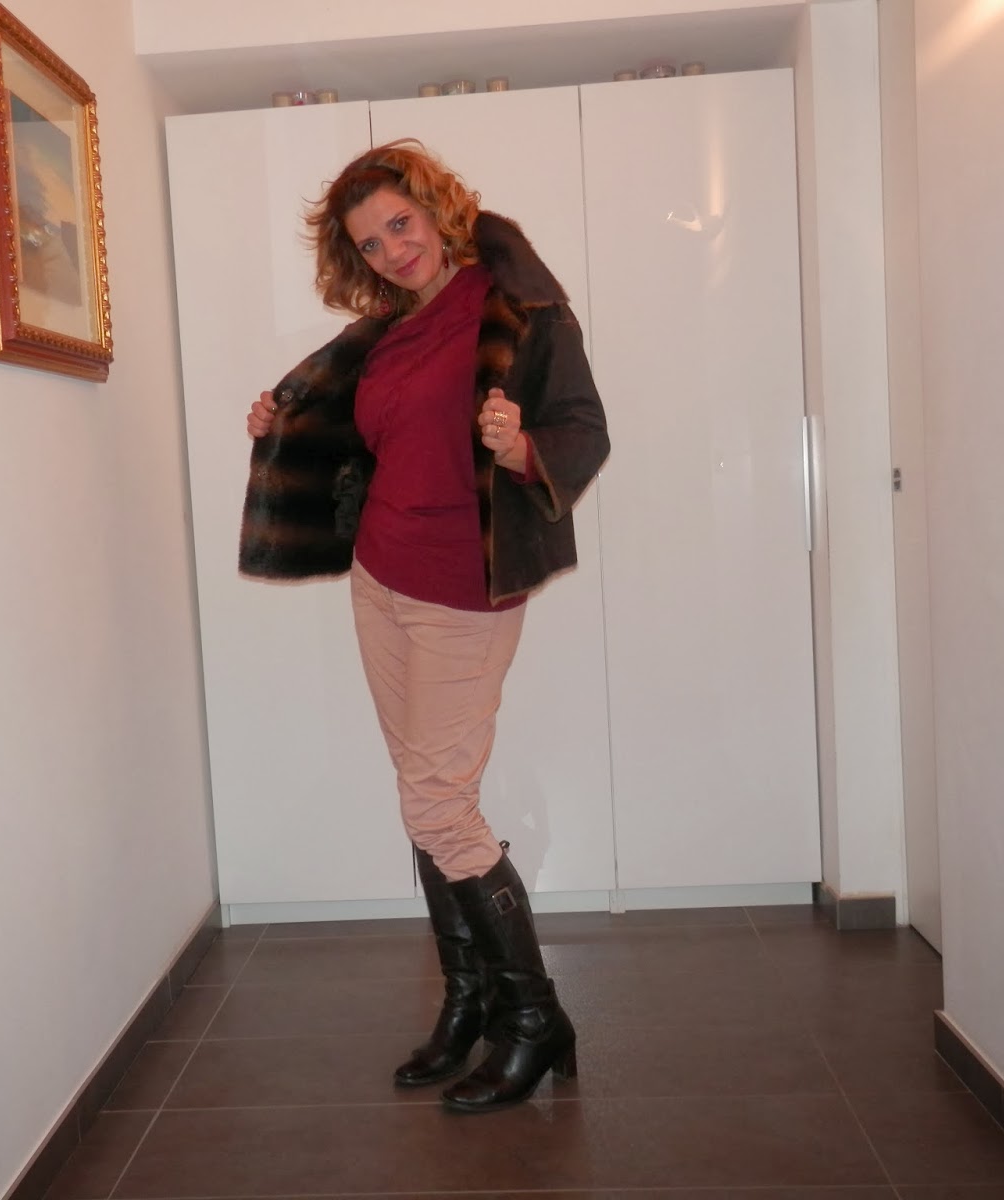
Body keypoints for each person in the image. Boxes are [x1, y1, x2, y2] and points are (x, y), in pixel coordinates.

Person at [239, 139, 609, 1113]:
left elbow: (583, 427)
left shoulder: (517, 309)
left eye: (400, 224)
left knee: (439, 805)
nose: (393, 250)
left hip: (464, 587)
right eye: (371, 243)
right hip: (380, 578)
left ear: (436, 209)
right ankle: (469, 1000)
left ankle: (533, 1018)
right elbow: (365, 435)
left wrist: (518, 446)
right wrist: (283, 422)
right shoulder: (384, 331)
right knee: (424, 796)